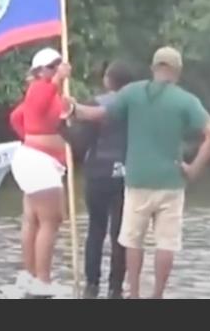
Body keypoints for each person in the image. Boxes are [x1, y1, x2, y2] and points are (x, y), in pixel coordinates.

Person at [72, 47, 210, 299]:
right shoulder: (186, 100)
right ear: (178, 72)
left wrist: (73, 108)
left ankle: (135, 293)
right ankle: (157, 295)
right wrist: (193, 169)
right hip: (171, 181)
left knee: (133, 240)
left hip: (137, 180)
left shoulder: (133, 93)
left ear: (153, 68)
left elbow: (97, 114)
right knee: (166, 243)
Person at [65, 60, 137, 299]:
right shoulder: (137, 107)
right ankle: (116, 288)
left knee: (96, 230)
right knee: (121, 233)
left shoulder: (95, 104)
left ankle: (92, 284)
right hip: (126, 174)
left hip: (98, 173)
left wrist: (63, 128)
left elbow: (80, 143)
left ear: (108, 80)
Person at [7, 47, 72, 297]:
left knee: (34, 220)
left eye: (58, 65)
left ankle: (31, 274)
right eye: (52, 66)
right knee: (50, 220)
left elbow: (17, 116)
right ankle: (42, 280)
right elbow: (36, 104)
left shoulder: (50, 93)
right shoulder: (39, 88)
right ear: (40, 71)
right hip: (38, 161)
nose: (57, 69)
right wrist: (35, 139)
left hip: (38, 160)